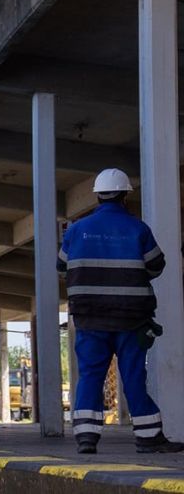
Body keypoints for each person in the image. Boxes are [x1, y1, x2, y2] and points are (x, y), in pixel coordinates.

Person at [58, 168, 183, 454]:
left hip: (90, 318)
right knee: (134, 375)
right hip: (131, 319)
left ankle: (86, 438)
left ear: (98, 196)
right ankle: (149, 438)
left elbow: (61, 266)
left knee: (90, 375)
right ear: (125, 195)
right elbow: (156, 266)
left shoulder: (76, 230)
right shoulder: (138, 229)